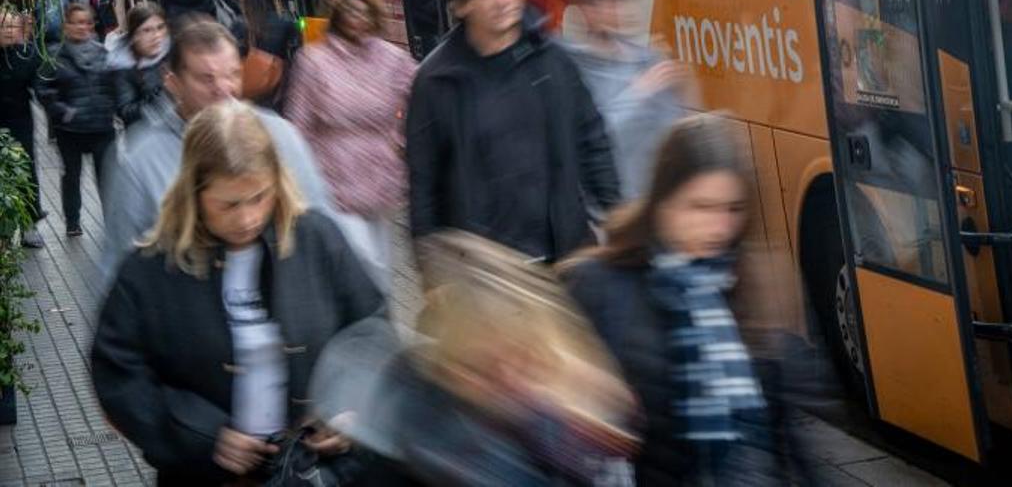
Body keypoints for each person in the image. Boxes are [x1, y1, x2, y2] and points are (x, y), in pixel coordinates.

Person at [91, 101, 385, 485]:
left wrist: (349, 406)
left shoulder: (315, 238)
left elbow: (372, 326)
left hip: (308, 470)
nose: (247, 218)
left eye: (259, 197)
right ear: (194, 194)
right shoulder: (150, 267)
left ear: (278, 183)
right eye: (228, 204)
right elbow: (117, 369)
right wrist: (199, 435)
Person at [563, 115, 789, 486]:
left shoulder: (748, 286)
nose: (719, 228)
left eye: (733, 209)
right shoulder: (597, 285)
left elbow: (778, 437)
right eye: (700, 207)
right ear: (662, 203)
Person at [309, 232, 637, 485]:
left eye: (520, 358)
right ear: (448, 362)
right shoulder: (411, 416)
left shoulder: (588, 419)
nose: (507, 379)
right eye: (482, 368)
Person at [406, 0, 621, 263]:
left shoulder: (552, 61)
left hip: (563, 256)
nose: (505, 0)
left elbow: (592, 140)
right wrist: (432, 270)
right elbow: (423, 183)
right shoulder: (436, 81)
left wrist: (616, 218)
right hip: (486, 276)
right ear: (462, 4)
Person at [100, 19, 333, 283]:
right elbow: (118, 267)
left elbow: (321, 226)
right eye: (206, 78)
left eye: (232, 74)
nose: (224, 90)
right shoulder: (138, 160)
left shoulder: (281, 136)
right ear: (173, 82)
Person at [286, 0, 416, 282]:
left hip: (380, 177)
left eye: (364, 12)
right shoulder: (314, 61)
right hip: (334, 179)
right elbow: (299, 120)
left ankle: (377, 317)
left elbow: (421, 94)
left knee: (381, 261)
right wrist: (299, 175)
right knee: (363, 258)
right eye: (351, 12)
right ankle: (368, 311)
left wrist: (401, 139)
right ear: (338, 16)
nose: (357, 18)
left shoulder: (391, 58)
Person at [565, 0, 693, 201]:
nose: (618, 9)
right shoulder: (571, 67)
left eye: (619, 0)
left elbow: (674, 129)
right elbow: (588, 140)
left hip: (655, 200)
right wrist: (637, 94)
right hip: (608, 204)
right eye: (607, 2)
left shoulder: (649, 58)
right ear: (585, 10)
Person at [36, 3, 118, 237]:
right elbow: (43, 89)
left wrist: (111, 107)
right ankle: (73, 221)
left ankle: (112, 220)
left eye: (87, 22)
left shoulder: (103, 52)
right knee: (71, 175)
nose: (83, 27)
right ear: (67, 26)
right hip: (70, 130)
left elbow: (113, 85)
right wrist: (62, 111)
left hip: (101, 127)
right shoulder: (54, 55)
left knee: (107, 178)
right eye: (78, 22)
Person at [0, 11, 48, 247]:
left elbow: (39, 85)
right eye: (3, 27)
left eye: (12, 26)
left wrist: (51, 102)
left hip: (20, 123)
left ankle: (29, 224)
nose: (8, 31)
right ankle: (5, 231)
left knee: (26, 172)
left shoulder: (28, 55)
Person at [108, 3, 169, 128]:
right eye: (147, 30)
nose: (156, 36)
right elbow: (126, 113)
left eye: (160, 27)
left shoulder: (171, 51)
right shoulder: (123, 67)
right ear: (134, 36)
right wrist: (162, 95)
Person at [241, 0, 300, 110]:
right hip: (278, 92)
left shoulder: (240, 27)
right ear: (271, 0)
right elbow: (296, 58)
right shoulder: (287, 25)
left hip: (249, 94)